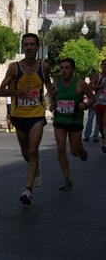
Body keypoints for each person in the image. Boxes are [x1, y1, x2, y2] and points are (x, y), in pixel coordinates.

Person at [0, 33, 57, 205]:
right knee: (26, 152)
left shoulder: (43, 66)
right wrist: (18, 92)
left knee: (33, 150)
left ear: (38, 47)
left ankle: (28, 190)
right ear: (22, 48)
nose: (29, 48)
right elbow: (1, 91)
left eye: (32, 45)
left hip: (37, 114)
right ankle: (35, 166)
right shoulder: (14, 68)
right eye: (26, 45)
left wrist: (52, 93)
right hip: (19, 115)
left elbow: (47, 83)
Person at [49, 58, 96, 190]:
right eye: (62, 68)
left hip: (75, 119)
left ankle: (80, 148)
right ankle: (67, 179)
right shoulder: (56, 82)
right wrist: (52, 104)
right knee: (61, 147)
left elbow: (93, 98)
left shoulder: (80, 84)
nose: (64, 70)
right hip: (59, 120)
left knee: (74, 152)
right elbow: (52, 97)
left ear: (73, 69)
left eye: (67, 68)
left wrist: (86, 105)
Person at [89, 59, 106, 153]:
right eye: (104, 64)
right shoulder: (97, 76)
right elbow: (88, 86)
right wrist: (99, 86)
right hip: (98, 103)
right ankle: (103, 137)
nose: (105, 66)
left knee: (105, 123)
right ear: (101, 66)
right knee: (100, 126)